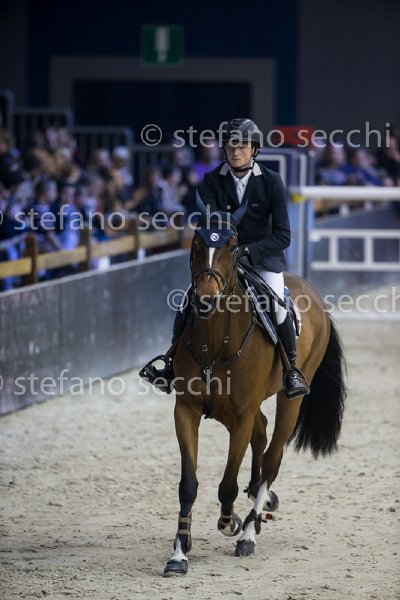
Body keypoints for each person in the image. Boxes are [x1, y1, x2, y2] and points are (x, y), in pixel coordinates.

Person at [144, 118, 310, 398]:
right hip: (221, 261)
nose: (235, 152)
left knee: (277, 305)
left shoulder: (271, 181)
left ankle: (291, 369)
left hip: (262, 260)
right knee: (187, 300)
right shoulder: (212, 181)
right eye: (231, 146)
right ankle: (170, 365)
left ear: (254, 149)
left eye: (242, 146)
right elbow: (207, 228)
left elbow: (283, 236)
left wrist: (247, 251)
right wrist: (223, 252)